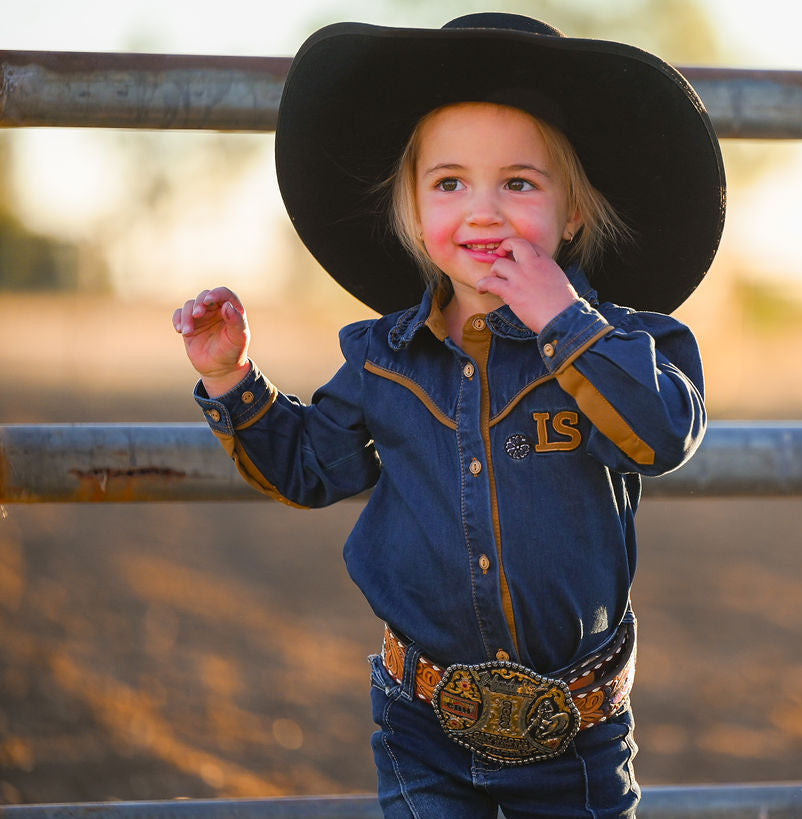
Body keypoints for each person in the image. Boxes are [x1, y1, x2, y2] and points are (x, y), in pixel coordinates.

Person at [173, 12, 725, 818]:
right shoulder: (383, 357)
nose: (484, 211)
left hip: (574, 732)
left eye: (520, 183)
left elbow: (661, 433)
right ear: (413, 208)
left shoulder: (632, 341)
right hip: (422, 718)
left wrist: (563, 320)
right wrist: (231, 377)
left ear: (573, 213)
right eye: (450, 182)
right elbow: (311, 467)